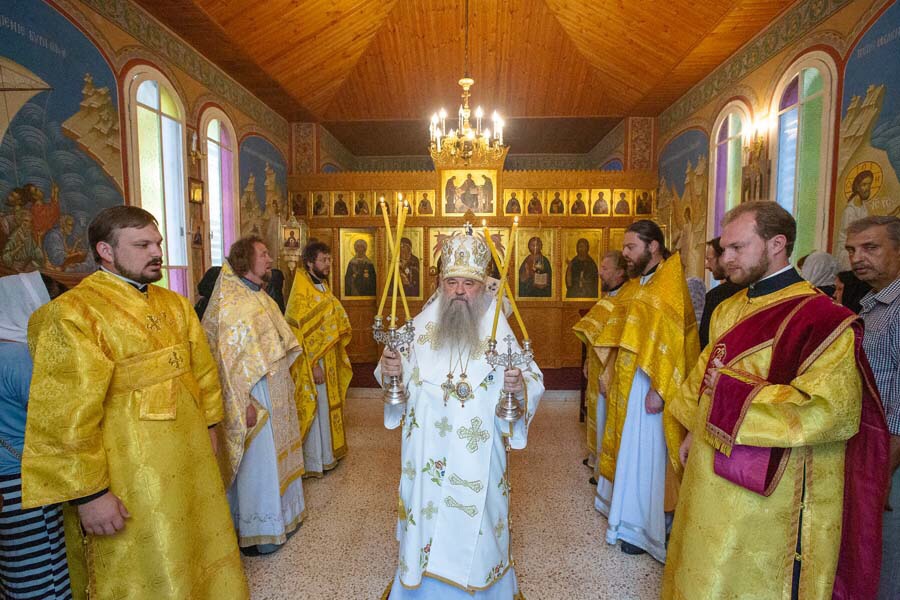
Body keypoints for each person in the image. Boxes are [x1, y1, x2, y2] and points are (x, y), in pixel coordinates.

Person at [663, 202, 889, 600]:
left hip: (767, 494)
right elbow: (703, 377)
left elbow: (830, 409)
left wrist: (731, 392)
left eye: (738, 247)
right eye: (725, 248)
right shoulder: (728, 308)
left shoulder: (821, 319)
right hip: (707, 469)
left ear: (777, 244)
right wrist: (692, 428)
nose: (726, 258)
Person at [20, 206, 248, 598]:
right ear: (106, 251)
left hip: (191, 460)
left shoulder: (174, 304)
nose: (156, 252)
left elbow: (203, 373)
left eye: (157, 243)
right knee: (147, 564)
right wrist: (90, 495)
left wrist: (212, 427)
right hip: (129, 473)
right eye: (142, 245)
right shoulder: (72, 314)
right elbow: (63, 417)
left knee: (199, 550)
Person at [377, 229, 544, 598]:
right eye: (451, 282)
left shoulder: (498, 328)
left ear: (483, 286)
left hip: (478, 454)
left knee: (479, 525)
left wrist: (517, 387)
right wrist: (391, 370)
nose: (458, 291)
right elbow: (393, 376)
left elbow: (531, 377)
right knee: (428, 519)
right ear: (441, 284)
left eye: (468, 283)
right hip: (427, 454)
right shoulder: (421, 326)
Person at [593, 220, 699, 561]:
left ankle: (645, 529)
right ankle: (627, 520)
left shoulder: (668, 283)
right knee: (632, 451)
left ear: (653, 246)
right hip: (631, 379)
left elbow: (673, 343)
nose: (625, 253)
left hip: (651, 384)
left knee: (647, 456)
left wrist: (659, 389)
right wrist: (611, 371)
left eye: (631, 247)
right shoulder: (644, 281)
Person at [202, 237, 306, 555]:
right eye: (263, 254)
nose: (270, 259)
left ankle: (283, 518)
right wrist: (243, 402)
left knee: (277, 458)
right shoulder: (232, 303)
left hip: (276, 389)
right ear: (245, 259)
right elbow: (224, 362)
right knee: (259, 463)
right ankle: (258, 531)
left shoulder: (260, 295)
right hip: (254, 396)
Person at [0, 272, 71, 599]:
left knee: (15, 570)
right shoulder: (19, 358)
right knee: (46, 573)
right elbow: (55, 421)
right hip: (25, 479)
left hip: (6, 480)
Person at [844, 216, 900, 600]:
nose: (857, 258)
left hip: (890, 459)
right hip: (872, 452)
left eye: (870, 247)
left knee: (888, 556)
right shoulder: (872, 305)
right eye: (851, 250)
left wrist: (883, 469)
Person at [286, 242, 353, 477]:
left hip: (330, 358)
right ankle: (315, 460)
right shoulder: (301, 290)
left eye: (329, 259)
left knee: (328, 407)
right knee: (317, 407)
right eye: (323, 260)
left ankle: (329, 454)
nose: (328, 264)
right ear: (309, 262)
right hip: (313, 363)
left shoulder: (322, 285)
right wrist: (313, 365)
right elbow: (298, 334)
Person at [572, 251, 631, 480]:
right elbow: (594, 336)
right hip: (598, 364)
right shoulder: (609, 297)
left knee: (606, 416)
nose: (599, 272)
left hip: (612, 370)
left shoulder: (625, 299)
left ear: (620, 272)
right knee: (597, 413)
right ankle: (595, 458)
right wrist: (588, 360)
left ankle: (603, 470)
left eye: (605, 269)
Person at [698, 237, 744, 349]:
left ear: (723, 258)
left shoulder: (717, 296)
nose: (707, 266)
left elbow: (705, 343)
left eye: (709, 259)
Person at [837, 170, 874, 269]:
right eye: (864, 184)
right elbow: (851, 233)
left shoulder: (863, 205)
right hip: (848, 252)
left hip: (858, 248)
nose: (867, 188)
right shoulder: (850, 210)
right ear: (857, 187)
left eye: (869, 184)